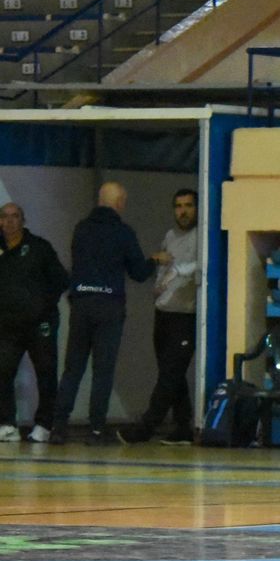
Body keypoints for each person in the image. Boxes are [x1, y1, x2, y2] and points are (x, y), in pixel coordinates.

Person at [55, 183, 169, 445]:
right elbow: (138, 273)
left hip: (82, 303)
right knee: (102, 371)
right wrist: (155, 259)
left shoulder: (81, 229)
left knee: (73, 368)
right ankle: (96, 429)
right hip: (109, 306)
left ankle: (58, 426)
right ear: (120, 202)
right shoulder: (122, 232)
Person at [118, 188, 200, 446]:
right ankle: (183, 426)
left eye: (188, 205)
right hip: (164, 313)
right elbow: (166, 268)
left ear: (197, 208)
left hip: (185, 314)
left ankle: (147, 426)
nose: (183, 211)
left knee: (169, 375)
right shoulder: (170, 236)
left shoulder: (202, 237)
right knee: (170, 373)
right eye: (178, 206)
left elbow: (199, 269)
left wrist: (179, 273)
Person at [0, 201, 70, 443]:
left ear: (23, 220)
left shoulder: (40, 248)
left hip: (40, 324)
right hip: (7, 326)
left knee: (46, 373)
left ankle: (44, 424)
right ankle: (7, 423)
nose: (9, 221)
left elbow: (61, 280)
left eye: (15, 216)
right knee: (2, 371)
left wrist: (42, 304)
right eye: (5, 217)